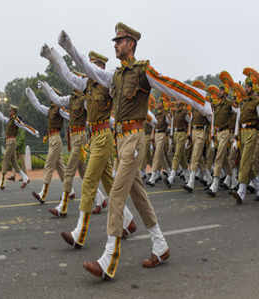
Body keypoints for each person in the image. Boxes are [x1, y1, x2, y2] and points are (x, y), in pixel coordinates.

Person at [57, 22, 212, 279]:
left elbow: (169, 85)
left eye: (119, 41)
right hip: (121, 141)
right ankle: (160, 245)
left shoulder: (143, 72)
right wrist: (69, 48)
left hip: (135, 139)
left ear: (131, 43)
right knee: (138, 195)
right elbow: (87, 69)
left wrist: (201, 102)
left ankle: (109, 259)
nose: (115, 45)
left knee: (117, 194)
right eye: (115, 41)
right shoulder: (115, 76)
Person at [41, 46, 138, 247]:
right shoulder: (88, 86)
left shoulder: (109, 81)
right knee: (111, 184)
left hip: (103, 137)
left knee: (88, 183)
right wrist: (54, 58)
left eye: (94, 65)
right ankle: (128, 221)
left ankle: (80, 233)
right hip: (93, 137)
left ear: (101, 67)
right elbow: (68, 75)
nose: (90, 68)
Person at [38, 80, 108, 215]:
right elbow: (57, 99)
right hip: (74, 136)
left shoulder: (84, 99)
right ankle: (100, 199)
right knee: (84, 173)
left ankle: (62, 207)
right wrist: (46, 88)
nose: (72, 82)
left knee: (69, 171)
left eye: (76, 81)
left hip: (80, 138)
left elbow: (95, 114)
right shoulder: (71, 99)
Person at [25, 88, 67, 204]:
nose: (50, 96)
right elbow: (38, 105)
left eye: (52, 94)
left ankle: (43, 194)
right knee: (61, 168)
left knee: (49, 165)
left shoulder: (59, 109)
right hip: (52, 139)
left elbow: (71, 117)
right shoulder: (50, 110)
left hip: (56, 139)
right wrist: (30, 94)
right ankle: (70, 190)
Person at [0, 105, 39, 190]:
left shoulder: (16, 120)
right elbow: (2, 118)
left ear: (14, 112)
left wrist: (34, 132)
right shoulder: (10, 120)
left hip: (12, 142)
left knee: (5, 159)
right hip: (9, 142)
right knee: (14, 163)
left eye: (10, 111)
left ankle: (1, 183)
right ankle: (26, 178)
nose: (9, 112)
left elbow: (24, 126)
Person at [231, 68, 259, 204]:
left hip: (252, 132)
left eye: (247, 86)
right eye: (245, 86)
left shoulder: (256, 101)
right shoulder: (244, 102)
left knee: (244, 161)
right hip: (242, 133)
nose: (245, 88)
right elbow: (238, 120)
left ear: (252, 87)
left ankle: (241, 192)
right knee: (248, 163)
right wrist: (236, 136)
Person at [183, 80, 211, 192]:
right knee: (199, 158)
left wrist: (210, 134)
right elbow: (191, 120)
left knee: (195, 156)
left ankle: (191, 182)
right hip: (194, 132)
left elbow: (211, 120)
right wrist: (189, 133)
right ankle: (209, 178)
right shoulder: (194, 104)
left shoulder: (206, 104)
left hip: (201, 132)